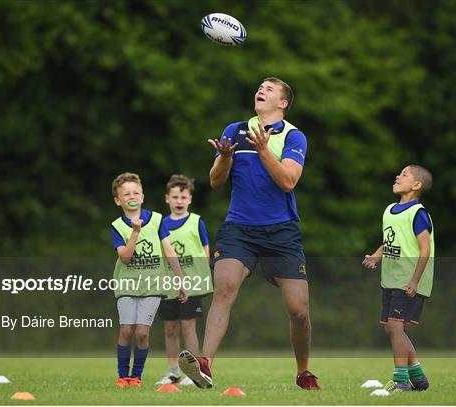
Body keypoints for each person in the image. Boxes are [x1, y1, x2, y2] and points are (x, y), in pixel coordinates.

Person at [179, 77, 320, 390]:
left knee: (298, 310)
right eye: (260, 87)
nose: (262, 90)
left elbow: (288, 181)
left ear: (282, 103)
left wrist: (263, 149)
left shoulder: (294, 136)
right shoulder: (234, 130)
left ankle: (303, 371)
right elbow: (215, 181)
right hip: (239, 228)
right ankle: (205, 364)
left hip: (282, 232)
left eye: (270, 89)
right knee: (225, 287)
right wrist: (226, 157)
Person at [111, 172, 187, 387]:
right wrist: (135, 232)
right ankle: (122, 376)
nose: (131, 196)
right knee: (126, 329)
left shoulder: (156, 219)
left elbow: (169, 250)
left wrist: (180, 279)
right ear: (118, 200)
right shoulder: (118, 226)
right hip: (127, 285)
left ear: (142, 196)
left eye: (135, 192)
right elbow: (125, 258)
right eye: (126, 194)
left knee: (142, 332)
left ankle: (136, 377)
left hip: (153, 285)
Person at [362, 165, 434, 392]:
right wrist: (375, 257)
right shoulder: (390, 210)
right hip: (391, 279)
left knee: (394, 327)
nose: (397, 176)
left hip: (409, 280)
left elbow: (425, 249)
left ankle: (401, 380)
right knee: (393, 328)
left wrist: (414, 281)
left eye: (404, 174)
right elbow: (391, 241)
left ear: (416, 185)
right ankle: (419, 379)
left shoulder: (418, 213)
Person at [156, 174, 213, 386]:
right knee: (170, 329)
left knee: (189, 327)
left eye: (183, 197)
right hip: (169, 285)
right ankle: (173, 372)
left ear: (189, 199)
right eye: (175, 196)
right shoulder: (160, 224)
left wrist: (202, 272)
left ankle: (193, 372)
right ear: (167, 199)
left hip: (191, 285)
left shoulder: (197, 221)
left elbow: (205, 248)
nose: (179, 201)